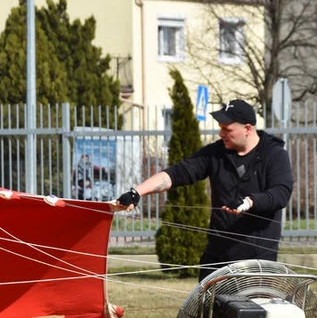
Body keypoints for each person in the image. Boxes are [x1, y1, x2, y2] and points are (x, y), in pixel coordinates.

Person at [115, 99, 292, 281]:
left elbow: (281, 193)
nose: (221, 133)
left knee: (253, 310)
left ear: (247, 129)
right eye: (220, 127)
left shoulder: (274, 154)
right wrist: (136, 192)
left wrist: (249, 202)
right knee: (207, 308)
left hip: (258, 259)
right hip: (217, 255)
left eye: (227, 129)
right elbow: (176, 174)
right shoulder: (215, 153)